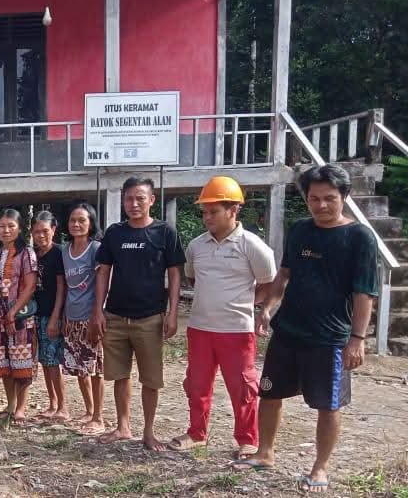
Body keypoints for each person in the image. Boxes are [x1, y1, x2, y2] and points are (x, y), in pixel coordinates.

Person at [237, 165, 378, 493]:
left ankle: (319, 467)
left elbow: (364, 292)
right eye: (314, 199)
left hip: (330, 339)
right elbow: (283, 275)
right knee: (269, 394)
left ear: (345, 196)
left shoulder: (359, 237)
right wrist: (267, 308)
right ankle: (265, 452)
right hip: (288, 332)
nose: (322, 206)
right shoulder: (300, 229)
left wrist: (357, 339)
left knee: (328, 405)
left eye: (330, 198)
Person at [170, 177, 275, 458]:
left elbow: (269, 282)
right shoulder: (196, 246)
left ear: (233, 210)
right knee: (197, 384)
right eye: (204, 212)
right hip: (200, 327)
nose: (207, 217)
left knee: (242, 387)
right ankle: (196, 433)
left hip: (237, 330)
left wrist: (251, 304)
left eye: (213, 211)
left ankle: (247, 439)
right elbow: (193, 276)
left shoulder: (252, 246)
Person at [90, 177, 184, 451]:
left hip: (150, 318)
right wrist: (98, 310)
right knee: (120, 375)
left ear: (151, 200)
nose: (134, 204)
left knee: (151, 379)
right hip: (116, 317)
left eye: (140, 198)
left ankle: (149, 431)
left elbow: (175, 273)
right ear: (123, 201)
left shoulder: (165, 232)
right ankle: (123, 426)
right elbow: (103, 271)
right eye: (129, 198)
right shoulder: (114, 233)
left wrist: (173, 312)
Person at [48, 202, 106, 435]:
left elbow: (104, 283)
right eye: (73, 220)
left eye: (82, 220)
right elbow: (63, 287)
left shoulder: (96, 249)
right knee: (80, 369)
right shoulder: (65, 250)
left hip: (91, 317)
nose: (76, 224)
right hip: (71, 318)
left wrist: (97, 314)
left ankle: (99, 417)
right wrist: (61, 316)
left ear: (91, 223)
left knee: (95, 369)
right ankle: (88, 411)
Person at [0, 209, 39, 425]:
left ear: (20, 229)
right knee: (5, 362)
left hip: (20, 315)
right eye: (2, 226)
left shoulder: (27, 253)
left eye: (11, 226)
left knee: (22, 363)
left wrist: (13, 310)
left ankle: (21, 409)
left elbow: (30, 286)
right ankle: (10, 404)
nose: (6, 230)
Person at [30, 210, 68, 423]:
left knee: (53, 362)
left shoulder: (59, 253)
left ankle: (63, 406)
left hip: (52, 315)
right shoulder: (34, 254)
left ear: (53, 230)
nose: (41, 235)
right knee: (45, 361)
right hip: (37, 313)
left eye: (45, 231)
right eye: (36, 232)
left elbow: (62, 288)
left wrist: (55, 317)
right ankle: (52, 403)